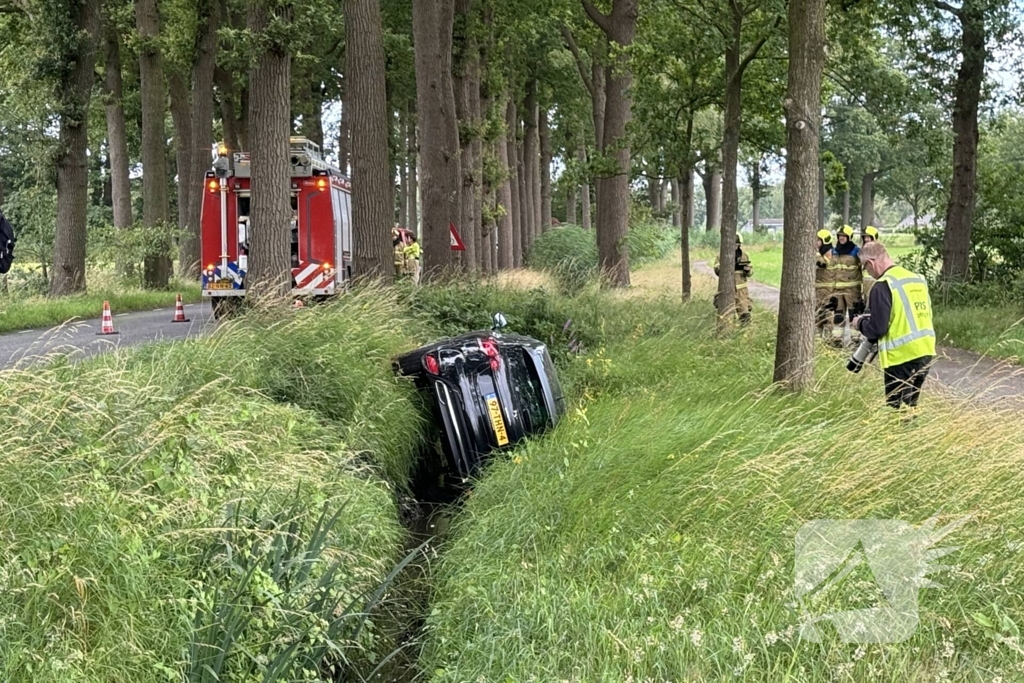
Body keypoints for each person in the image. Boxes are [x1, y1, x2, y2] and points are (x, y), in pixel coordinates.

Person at [853, 241, 936, 411]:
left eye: (865, 268)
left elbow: (877, 329)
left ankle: (902, 436)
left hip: (901, 357)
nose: (867, 272)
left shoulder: (882, 286)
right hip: (925, 352)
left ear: (871, 263)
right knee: (911, 407)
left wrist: (859, 323)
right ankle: (914, 435)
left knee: (896, 411)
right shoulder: (917, 279)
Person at [829, 225, 864, 346]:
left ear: (849, 237)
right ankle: (837, 340)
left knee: (854, 314)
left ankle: (856, 340)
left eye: (844, 236)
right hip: (837, 290)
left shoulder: (856, 251)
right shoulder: (834, 251)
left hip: (852, 290)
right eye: (840, 236)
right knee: (838, 315)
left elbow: (863, 269)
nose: (842, 238)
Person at [713, 234, 753, 325]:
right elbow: (716, 270)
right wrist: (726, 267)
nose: (734, 247)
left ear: (739, 245)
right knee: (727, 315)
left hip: (742, 292)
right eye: (732, 245)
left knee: (745, 316)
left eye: (736, 245)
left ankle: (745, 335)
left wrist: (747, 270)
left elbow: (750, 273)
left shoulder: (744, 256)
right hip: (727, 290)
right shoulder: (721, 256)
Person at [815, 229, 836, 341]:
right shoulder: (822, 252)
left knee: (827, 314)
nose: (816, 242)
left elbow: (823, 263)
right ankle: (819, 336)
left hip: (827, 290)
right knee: (817, 314)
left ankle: (828, 337)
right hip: (818, 290)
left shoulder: (830, 253)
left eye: (818, 240)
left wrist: (816, 253)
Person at [860, 226, 880, 311]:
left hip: (874, 279)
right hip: (864, 280)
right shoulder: (862, 250)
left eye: (868, 237)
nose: (866, 239)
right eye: (865, 237)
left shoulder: (878, 250)